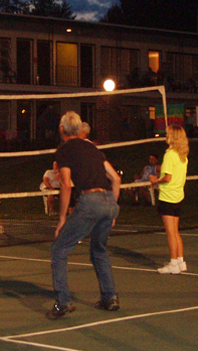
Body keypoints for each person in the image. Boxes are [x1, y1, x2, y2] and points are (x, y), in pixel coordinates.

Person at [47, 111, 122, 320]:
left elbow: (66, 184)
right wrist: (112, 208)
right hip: (108, 200)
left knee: (59, 249)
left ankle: (63, 302)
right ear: (79, 129)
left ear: (61, 130)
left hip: (90, 201)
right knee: (99, 249)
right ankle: (110, 297)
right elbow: (115, 179)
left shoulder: (64, 150)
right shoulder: (92, 148)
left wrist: (62, 218)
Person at [150, 125, 189, 274]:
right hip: (178, 195)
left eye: (167, 134)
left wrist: (155, 181)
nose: (165, 136)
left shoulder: (170, 155)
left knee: (170, 232)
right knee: (175, 231)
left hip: (168, 196)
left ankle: (173, 263)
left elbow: (167, 177)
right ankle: (180, 260)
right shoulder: (182, 156)